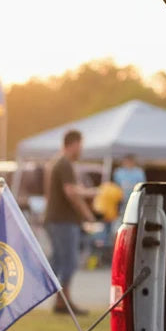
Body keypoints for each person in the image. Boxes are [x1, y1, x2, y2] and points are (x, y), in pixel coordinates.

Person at [44, 129, 97, 315]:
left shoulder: (57, 162)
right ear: (73, 144)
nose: (81, 149)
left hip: (57, 219)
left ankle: (60, 300)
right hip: (62, 220)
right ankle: (63, 301)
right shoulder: (64, 163)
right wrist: (89, 207)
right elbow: (71, 192)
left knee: (58, 260)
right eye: (80, 145)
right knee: (69, 260)